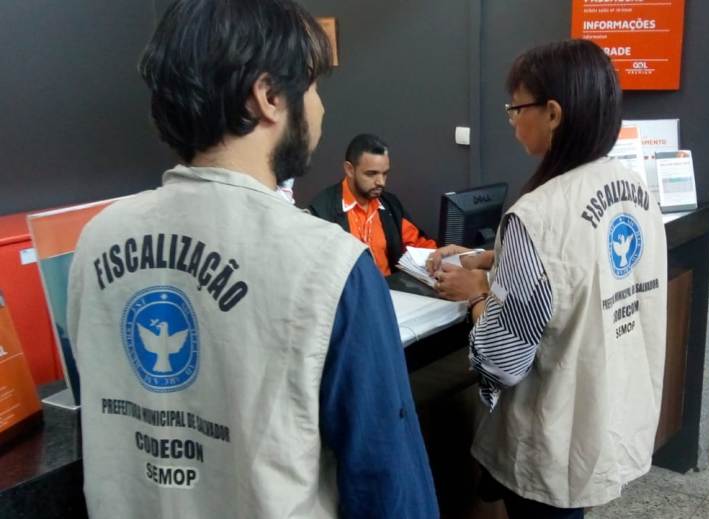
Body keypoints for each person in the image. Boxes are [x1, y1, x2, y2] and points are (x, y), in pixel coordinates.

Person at [66, 1, 438, 518]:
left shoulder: (95, 242)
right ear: (268, 97)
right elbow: (387, 486)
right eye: (312, 88)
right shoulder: (330, 264)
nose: (320, 109)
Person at [429, 39, 668, 518]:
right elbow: (585, 258)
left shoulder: (536, 214)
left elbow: (501, 359)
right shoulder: (635, 188)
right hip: (608, 413)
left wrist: (478, 293)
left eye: (517, 108)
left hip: (552, 440)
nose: (513, 120)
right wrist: (494, 258)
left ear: (553, 113)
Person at [308, 134, 437, 276]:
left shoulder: (390, 206)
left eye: (385, 174)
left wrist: (439, 258)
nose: (381, 182)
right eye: (371, 174)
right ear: (349, 169)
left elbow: (419, 246)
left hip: (393, 291)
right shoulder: (321, 212)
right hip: (349, 294)